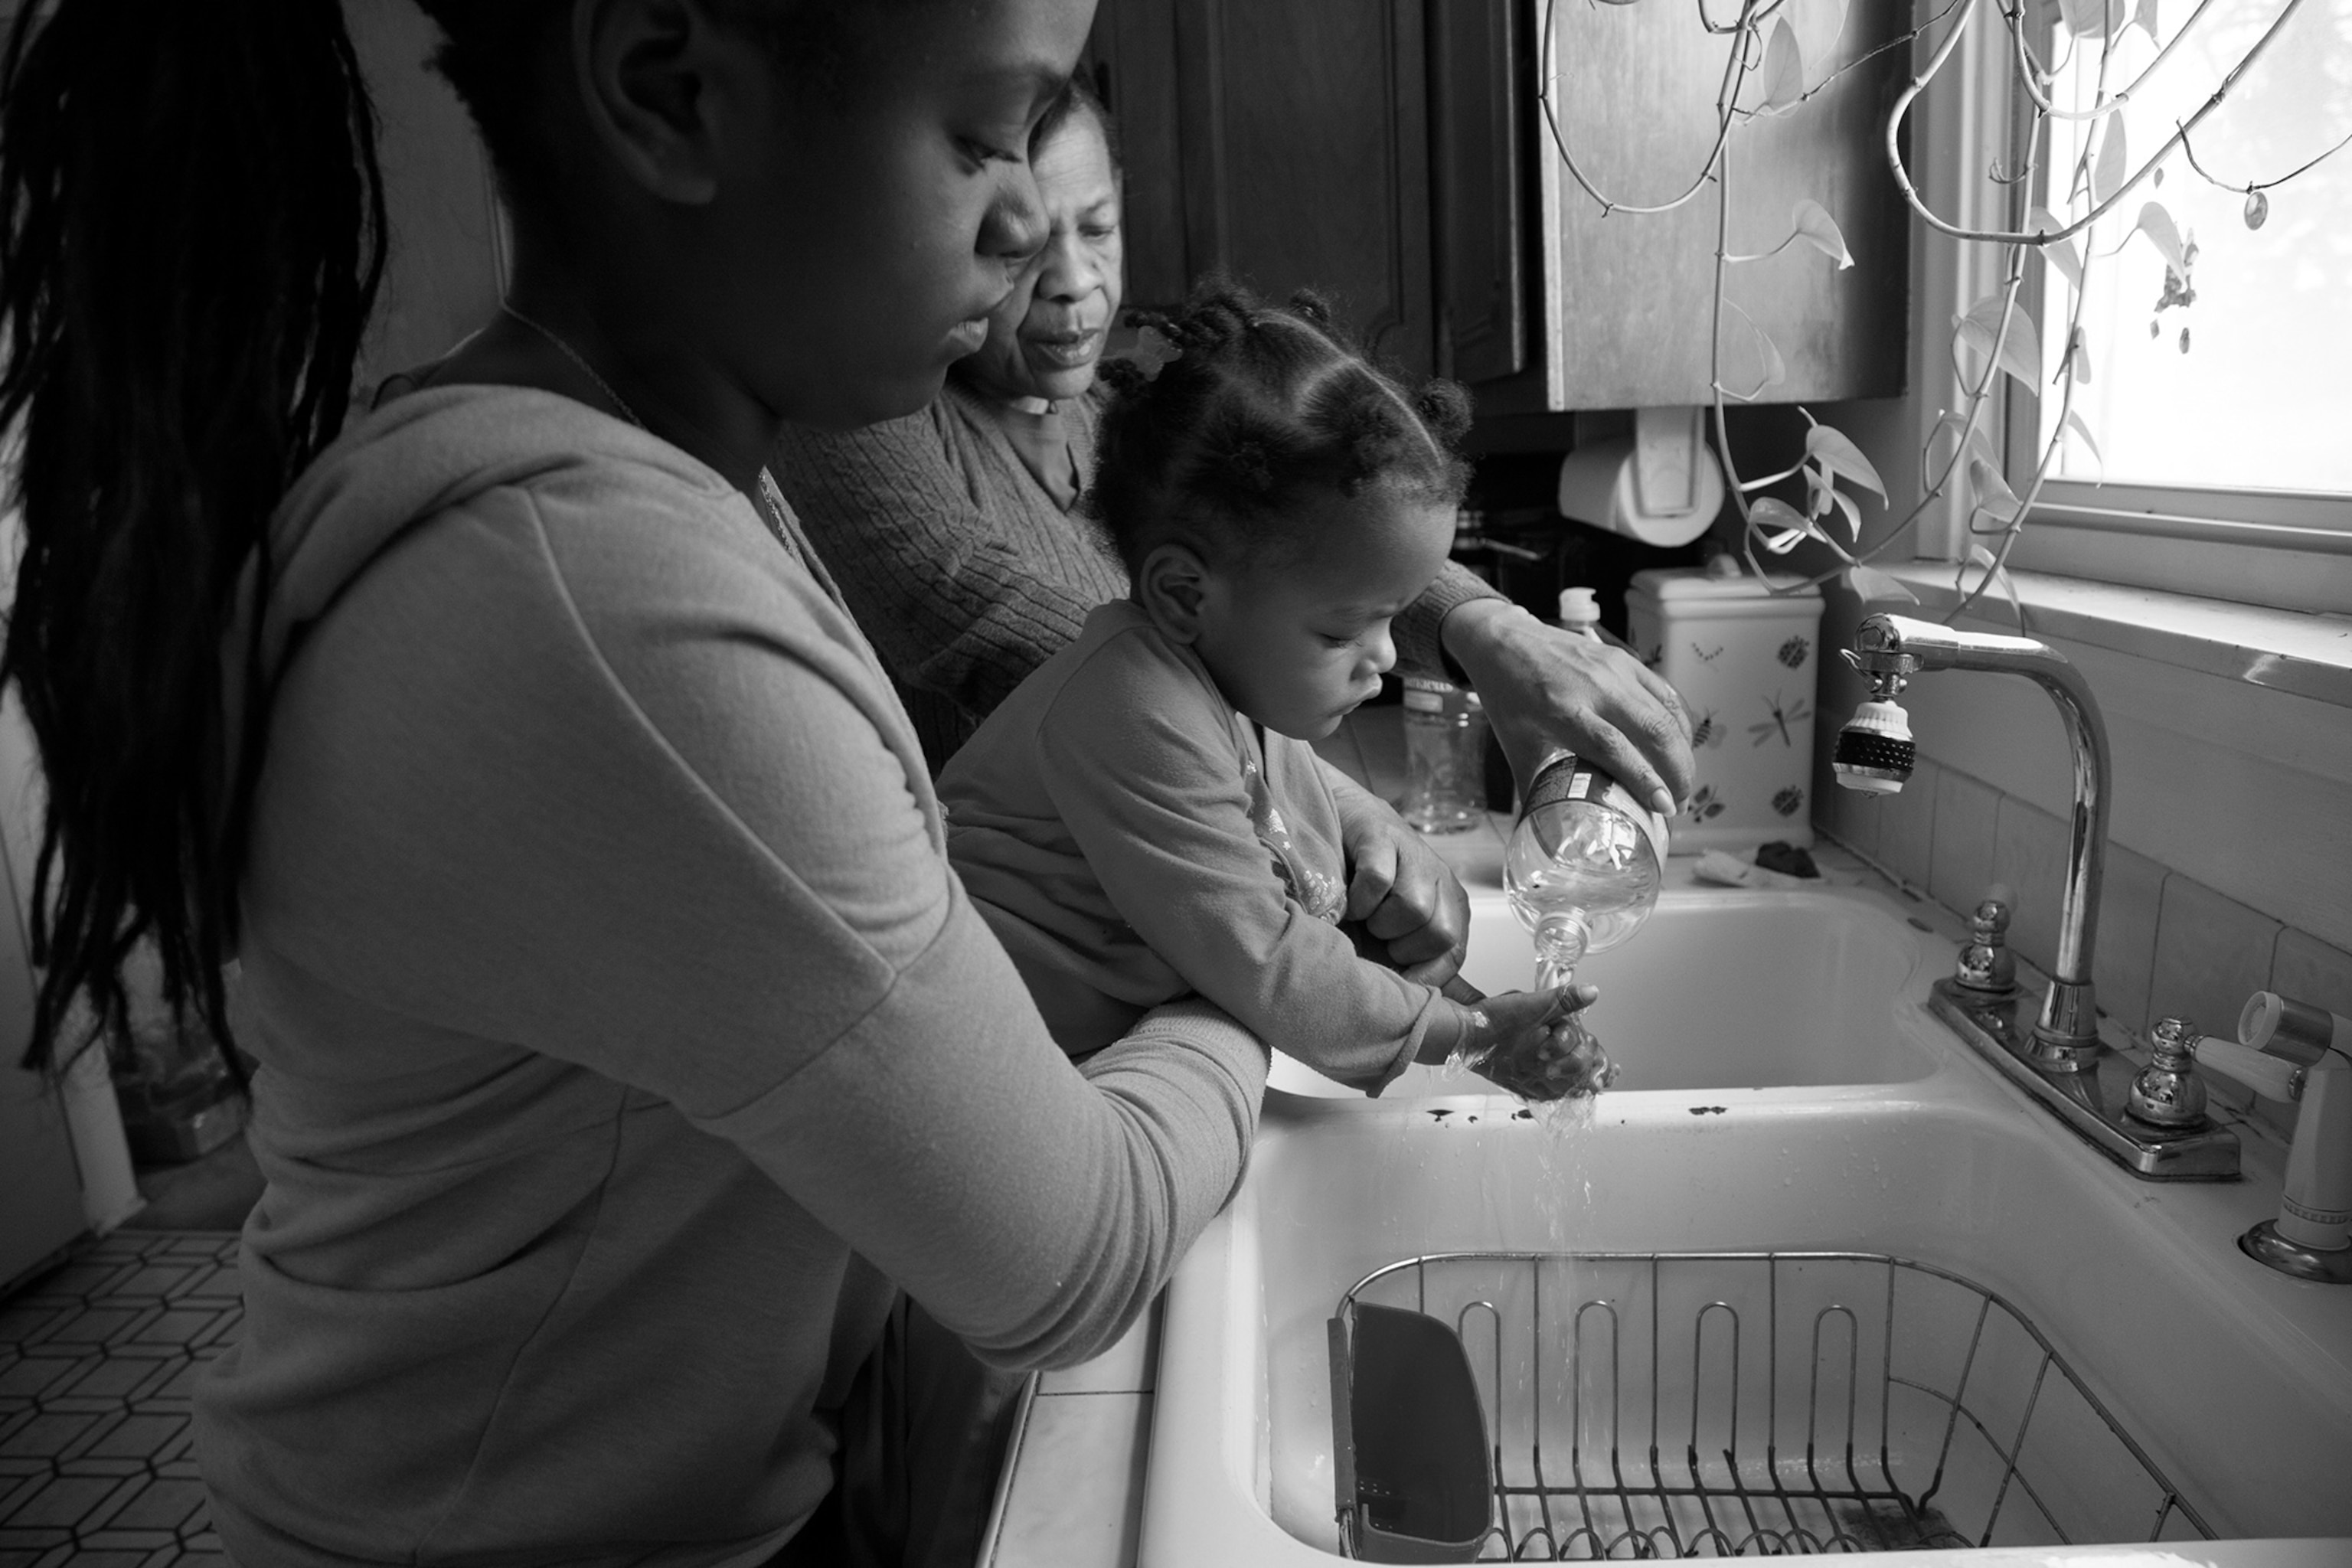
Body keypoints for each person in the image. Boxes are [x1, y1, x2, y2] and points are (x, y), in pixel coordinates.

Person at [0, 3, 1321, 1565]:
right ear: (670, 96)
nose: (1031, 224)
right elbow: (1069, 1249)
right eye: (981, 135)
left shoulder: (628, 487)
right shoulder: (614, 606)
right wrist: (1256, 985)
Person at [769, 80, 1697, 808]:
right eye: (1019, 247)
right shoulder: (852, 411)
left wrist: (1493, 630)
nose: (1072, 281)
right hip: (1003, 945)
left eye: (1097, 227)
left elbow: (1323, 501)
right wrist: (1306, 796)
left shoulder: (1137, 399)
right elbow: (977, 612)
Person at [939, 283, 1609, 1100]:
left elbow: (1305, 925)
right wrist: (1470, 1036)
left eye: (1393, 618)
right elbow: (1271, 962)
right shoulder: (1130, 706)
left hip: (1080, 1062)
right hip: (983, 1073)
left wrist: (1489, 1016)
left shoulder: (1240, 711)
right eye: (1340, 632)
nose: (1386, 658)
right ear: (1186, 594)